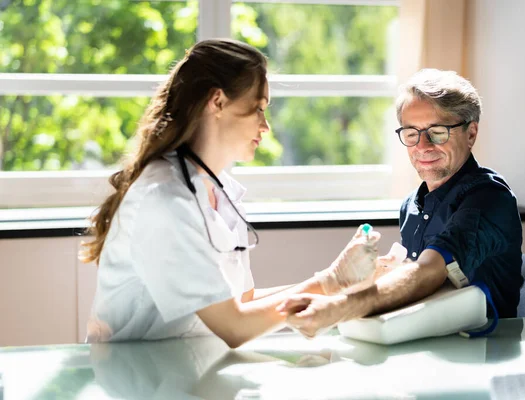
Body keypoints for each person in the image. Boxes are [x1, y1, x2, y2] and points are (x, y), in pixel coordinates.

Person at [79, 39, 382, 347]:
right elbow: (234, 326)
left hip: (187, 370)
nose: (265, 126)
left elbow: (242, 301)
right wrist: (331, 282)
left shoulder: (217, 189)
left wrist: (337, 283)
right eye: (257, 109)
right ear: (218, 102)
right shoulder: (164, 199)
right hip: (137, 381)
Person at [278, 69, 523, 338]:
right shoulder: (411, 205)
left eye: (438, 132)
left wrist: (339, 307)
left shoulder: (489, 198)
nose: (422, 146)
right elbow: (418, 285)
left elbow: (429, 271)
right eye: (411, 133)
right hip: (427, 342)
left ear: (471, 133)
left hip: (485, 350)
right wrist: (378, 276)